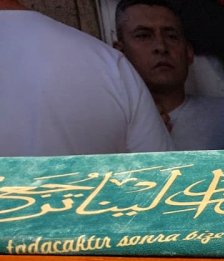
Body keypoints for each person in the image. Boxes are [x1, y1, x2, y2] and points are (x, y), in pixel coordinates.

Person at [0, 0, 172, 156]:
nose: (161, 47)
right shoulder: (110, 66)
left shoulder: (113, 67)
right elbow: (163, 175)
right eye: (143, 35)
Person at [114, 0, 224, 150]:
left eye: (171, 36)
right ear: (119, 53)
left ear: (188, 52)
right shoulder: (108, 126)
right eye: (144, 36)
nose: (161, 47)